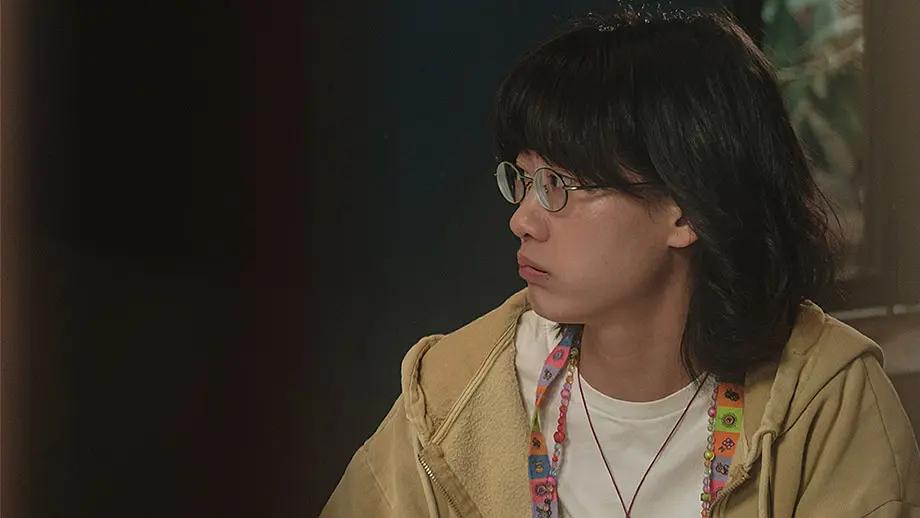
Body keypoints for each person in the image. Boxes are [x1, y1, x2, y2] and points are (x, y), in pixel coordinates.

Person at [321, 8, 920, 518]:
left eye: (560, 184)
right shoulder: (449, 395)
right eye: (523, 179)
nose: (523, 220)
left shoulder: (825, 400)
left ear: (686, 212)